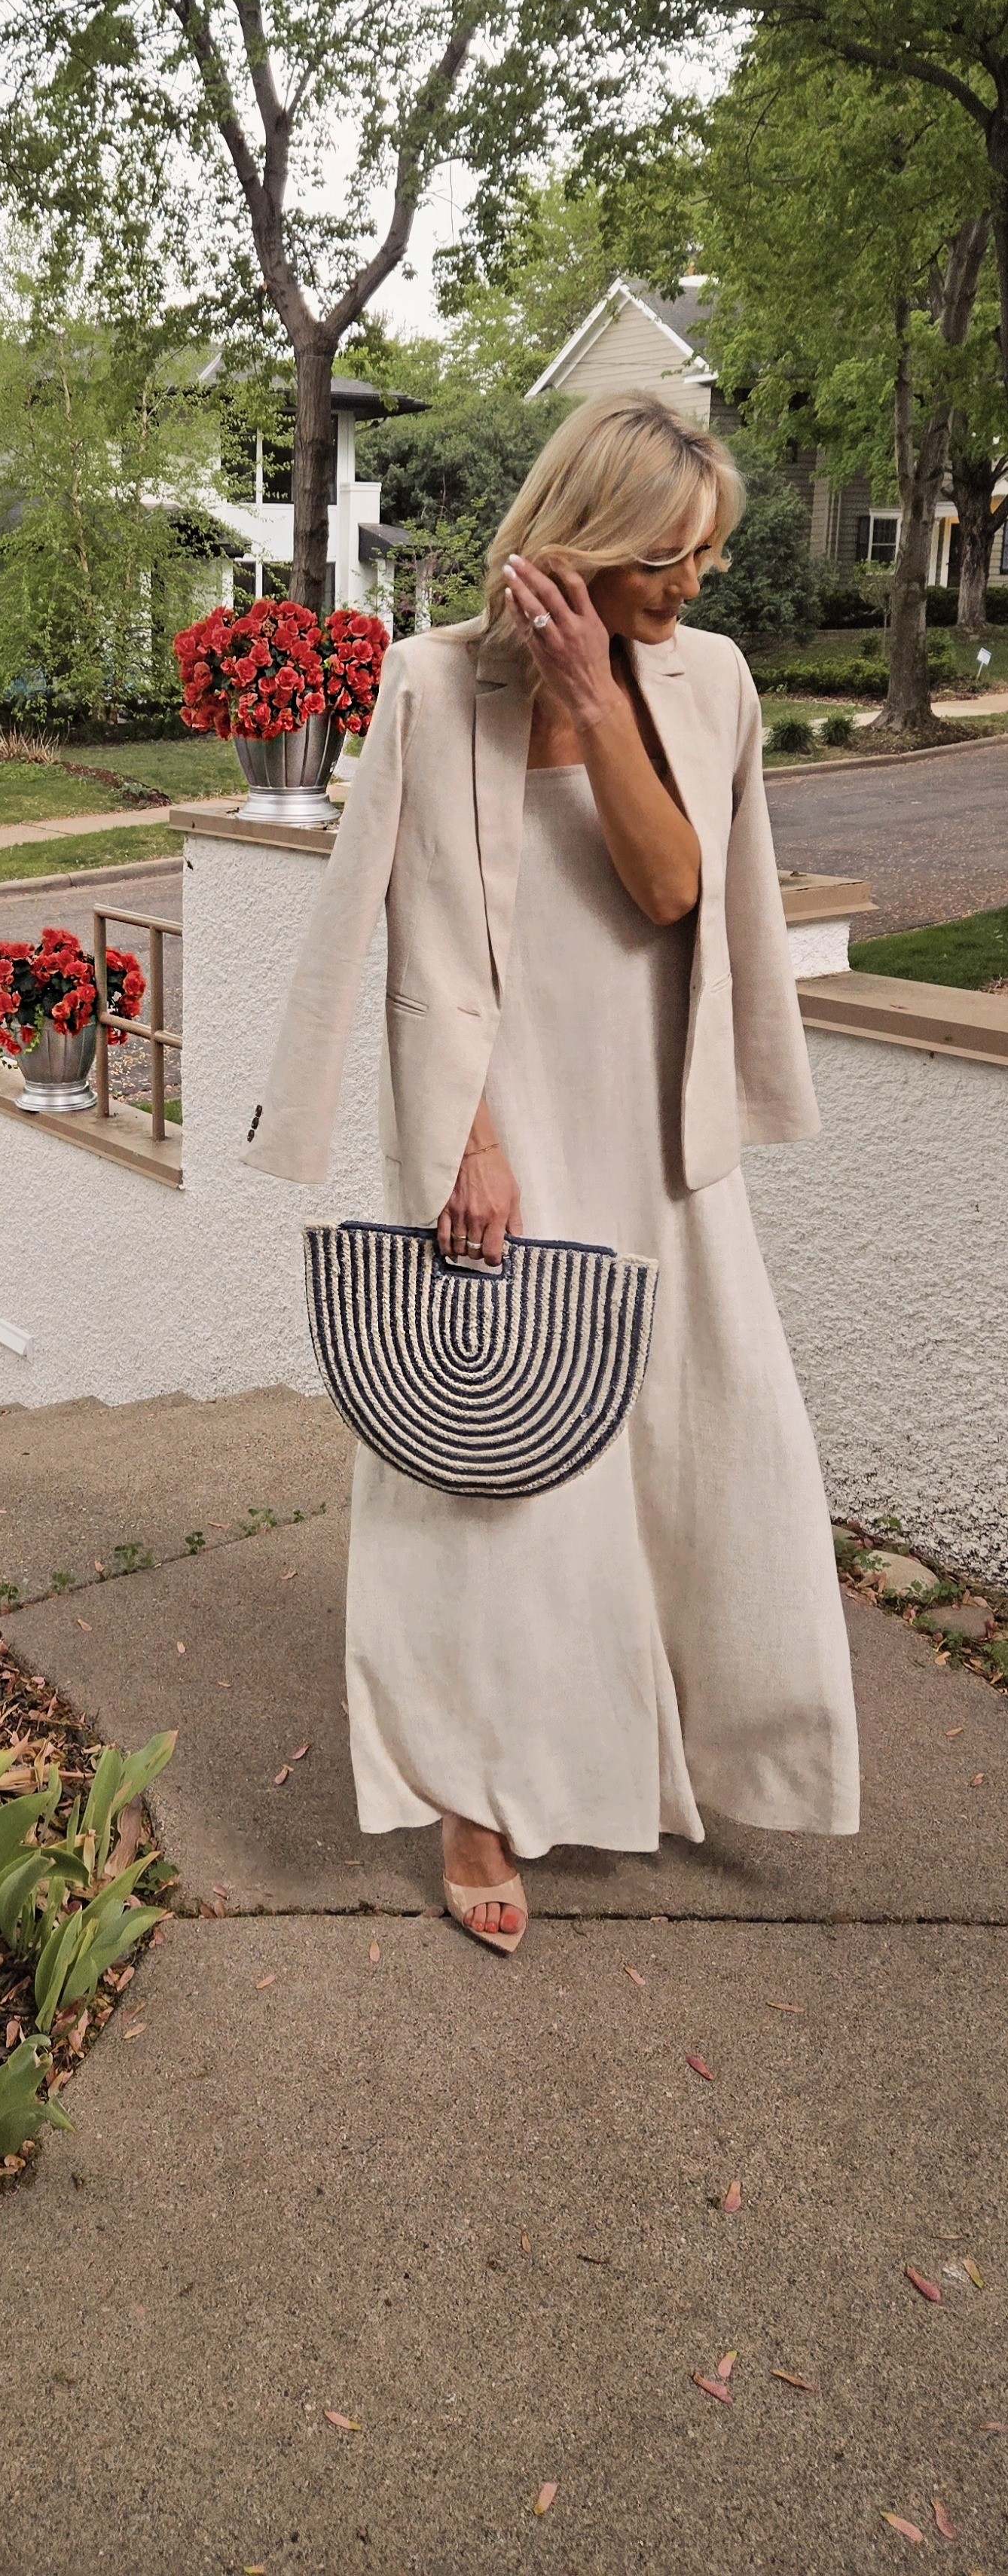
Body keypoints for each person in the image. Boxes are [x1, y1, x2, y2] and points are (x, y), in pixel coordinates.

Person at [244, 392, 860, 1954]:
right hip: (502, 1123)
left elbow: (673, 893)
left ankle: (684, 1746)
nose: (695, 583)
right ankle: (471, 1791)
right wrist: (467, 1143)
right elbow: (402, 932)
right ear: (583, 542)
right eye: (670, 556)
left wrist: (601, 690)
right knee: (490, 1474)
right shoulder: (430, 684)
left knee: (698, 1441)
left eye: (707, 556)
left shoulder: (706, 680)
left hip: (653, 1123)